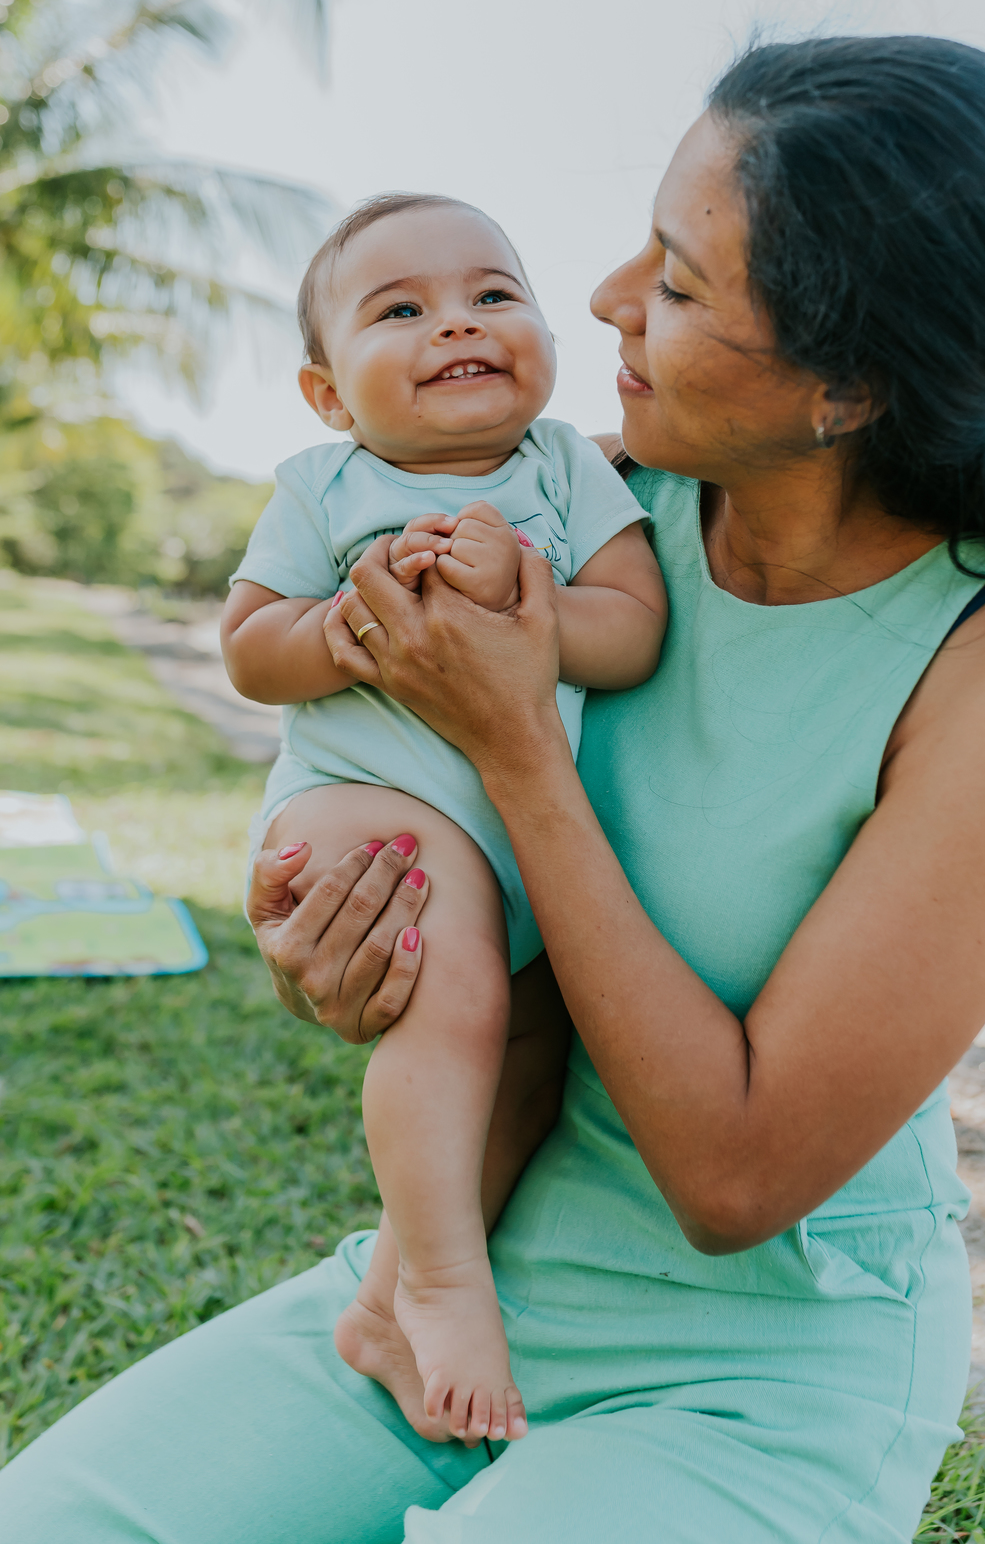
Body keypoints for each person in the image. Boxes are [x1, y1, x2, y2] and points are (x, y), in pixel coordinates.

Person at [3, 35, 985, 1544]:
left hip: (755, 1370)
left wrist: (513, 743)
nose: (610, 296)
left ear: (848, 382)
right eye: (643, 242)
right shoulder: (592, 505)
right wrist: (353, 949)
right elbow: (449, 865)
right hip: (455, 1286)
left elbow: (737, 1171)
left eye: (683, 283)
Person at [219, 192, 666, 1443]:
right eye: (401, 309)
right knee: (459, 1000)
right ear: (326, 392)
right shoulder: (325, 484)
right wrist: (346, 632)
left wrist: (533, 601)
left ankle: (377, 1307)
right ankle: (440, 1280)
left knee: (528, 1054)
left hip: (515, 832)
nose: (456, 323)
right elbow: (251, 648)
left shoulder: (570, 469)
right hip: (372, 798)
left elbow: (632, 630)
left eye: (492, 293)